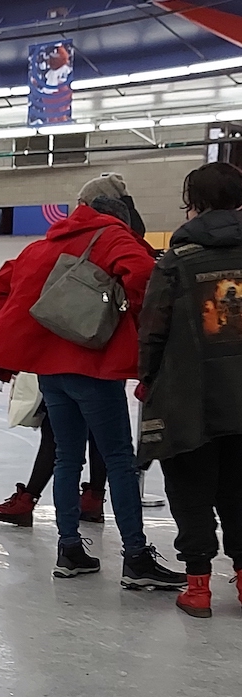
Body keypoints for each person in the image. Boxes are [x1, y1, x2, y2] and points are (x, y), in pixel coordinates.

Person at [0, 177, 184, 590]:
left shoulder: (42, 245)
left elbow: (0, 287)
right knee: (119, 459)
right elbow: (145, 279)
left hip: (50, 372)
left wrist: (34, 334)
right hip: (93, 368)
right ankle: (136, 557)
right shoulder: (113, 238)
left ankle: (70, 550)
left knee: (67, 457)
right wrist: (135, 325)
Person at [137, 162, 242, 617]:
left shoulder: (176, 260)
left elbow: (153, 328)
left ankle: (198, 587)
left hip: (188, 394)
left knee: (189, 486)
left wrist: (147, 377)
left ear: (193, 202)